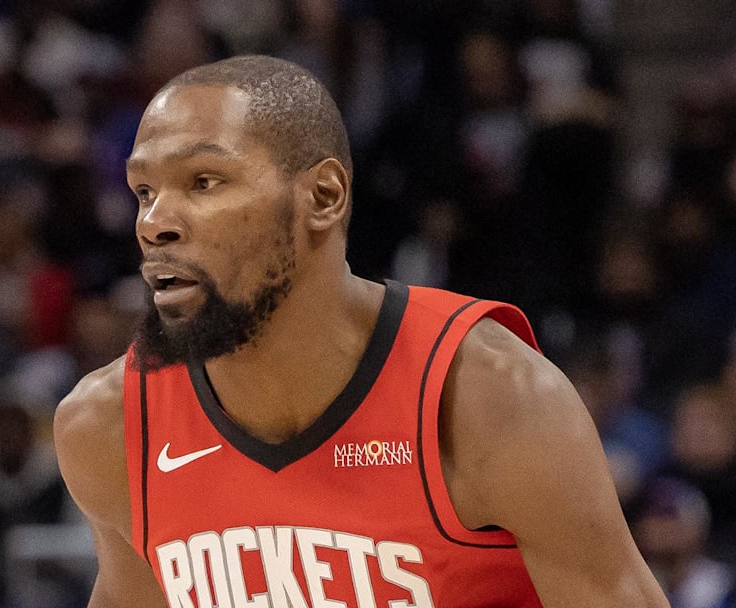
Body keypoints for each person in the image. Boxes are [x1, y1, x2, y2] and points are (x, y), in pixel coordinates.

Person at [53, 54, 668, 607]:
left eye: (204, 182)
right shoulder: (109, 428)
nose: (153, 223)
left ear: (322, 196)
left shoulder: (489, 400)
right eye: (143, 191)